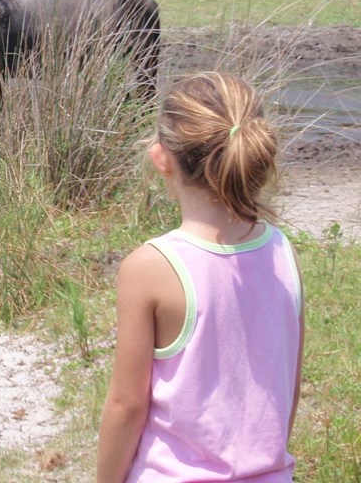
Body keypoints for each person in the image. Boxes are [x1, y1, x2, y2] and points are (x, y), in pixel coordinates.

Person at [96, 72, 304, 483]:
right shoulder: (282, 251)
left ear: (161, 158)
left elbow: (126, 406)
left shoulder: (150, 267)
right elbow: (288, 387)